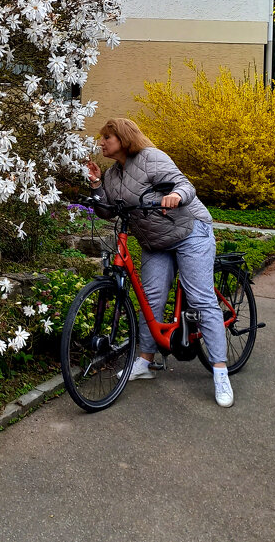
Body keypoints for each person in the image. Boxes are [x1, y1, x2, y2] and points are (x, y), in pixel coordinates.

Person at [83, 117, 234, 408]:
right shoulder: (113, 175)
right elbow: (107, 211)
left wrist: (175, 195)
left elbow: (184, 184)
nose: (101, 142)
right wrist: (96, 184)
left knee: (201, 298)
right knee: (150, 299)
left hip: (190, 232)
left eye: (106, 138)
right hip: (155, 242)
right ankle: (145, 361)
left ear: (124, 139)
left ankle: (220, 371)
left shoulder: (151, 158)